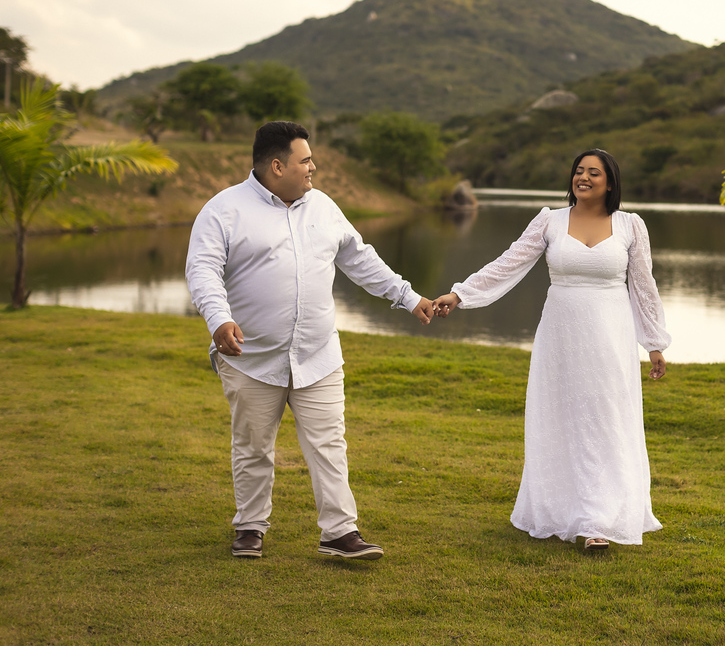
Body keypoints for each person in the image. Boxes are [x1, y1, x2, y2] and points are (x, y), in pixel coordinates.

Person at [186, 120, 435, 560]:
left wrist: (408, 297)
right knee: (253, 446)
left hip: (318, 355)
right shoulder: (224, 209)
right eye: (305, 160)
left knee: (329, 443)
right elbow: (202, 269)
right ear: (277, 166)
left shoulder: (323, 206)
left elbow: (360, 259)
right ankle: (250, 527)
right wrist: (218, 320)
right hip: (251, 357)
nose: (313, 167)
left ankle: (339, 533)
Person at [434, 149, 670, 551]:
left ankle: (599, 520)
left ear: (610, 182)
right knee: (562, 416)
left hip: (610, 336)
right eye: (579, 171)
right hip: (561, 335)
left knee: (604, 417)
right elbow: (508, 263)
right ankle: (562, 509)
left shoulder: (630, 226)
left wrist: (654, 343)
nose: (584, 178)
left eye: (594, 173)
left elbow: (643, 286)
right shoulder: (550, 220)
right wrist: (461, 294)